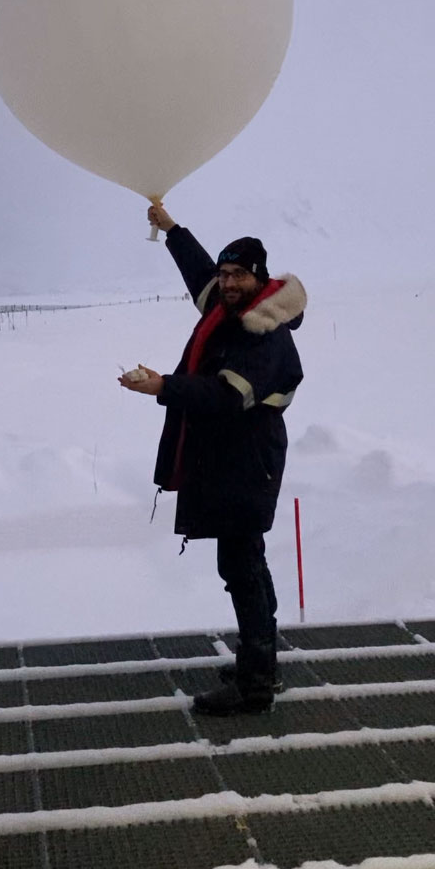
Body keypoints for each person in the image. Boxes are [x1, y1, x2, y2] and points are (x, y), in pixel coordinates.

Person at [119, 201, 306, 716]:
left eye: (237, 274)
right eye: (224, 273)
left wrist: (163, 386)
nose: (226, 282)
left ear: (258, 278)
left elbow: (225, 397)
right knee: (248, 562)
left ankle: (255, 686)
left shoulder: (261, 334)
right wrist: (173, 229)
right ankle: (259, 660)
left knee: (242, 567)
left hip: (248, 464)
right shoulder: (230, 310)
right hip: (235, 461)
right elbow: (198, 274)